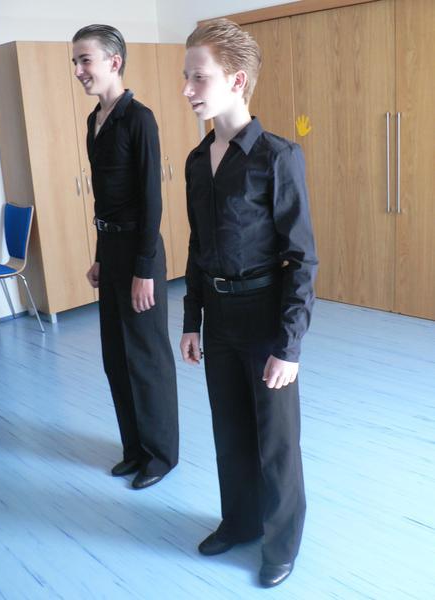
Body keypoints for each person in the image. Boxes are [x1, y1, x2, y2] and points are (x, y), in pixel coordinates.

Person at [180, 19, 318, 588]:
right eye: (186, 77)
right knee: (230, 431)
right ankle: (239, 522)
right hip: (219, 318)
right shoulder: (197, 161)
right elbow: (197, 246)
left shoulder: (278, 157)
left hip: (265, 318)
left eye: (199, 77)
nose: (187, 89)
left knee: (276, 443)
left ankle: (281, 543)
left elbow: (302, 259)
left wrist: (289, 346)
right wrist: (191, 320)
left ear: (236, 80)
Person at [72, 24, 178, 490]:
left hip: (140, 253)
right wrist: (100, 255)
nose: (78, 70)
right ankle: (134, 449)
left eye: (85, 60)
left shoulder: (140, 118)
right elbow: (105, 201)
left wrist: (144, 270)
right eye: (75, 62)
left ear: (114, 61)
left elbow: (151, 200)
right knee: (116, 357)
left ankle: (161, 455)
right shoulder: (94, 120)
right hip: (111, 250)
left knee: (146, 359)